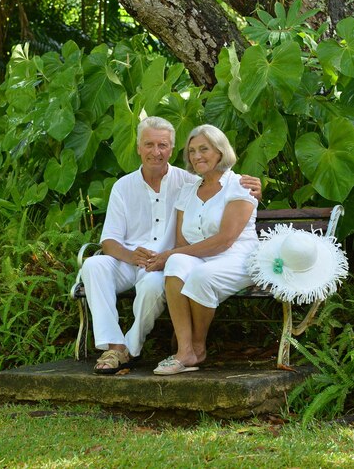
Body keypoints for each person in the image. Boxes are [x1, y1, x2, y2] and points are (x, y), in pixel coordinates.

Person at [80, 117, 261, 374]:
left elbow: (223, 194)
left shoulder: (188, 181)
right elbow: (108, 240)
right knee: (94, 265)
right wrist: (132, 256)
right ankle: (114, 345)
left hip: (164, 264)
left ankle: (130, 348)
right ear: (138, 148)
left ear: (172, 149)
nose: (156, 152)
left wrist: (254, 188)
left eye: (163, 145)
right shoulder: (124, 186)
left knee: (154, 286)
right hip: (131, 260)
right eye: (149, 144)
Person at [152, 124, 258, 376]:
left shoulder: (240, 185)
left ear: (220, 152)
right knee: (176, 263)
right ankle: (184, 350)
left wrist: (169, 255)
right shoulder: (188, 191)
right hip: (201, 257)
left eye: (204, 149)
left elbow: (225, 240)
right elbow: (181, 243)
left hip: (238, 257)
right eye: (191, 151)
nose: (197, 156)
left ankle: (198, 347)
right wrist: (172, 256)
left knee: (199, 275)